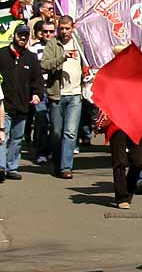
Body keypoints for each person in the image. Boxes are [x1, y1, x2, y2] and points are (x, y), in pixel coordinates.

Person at [41, 15, 89, 179]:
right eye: (61, 28)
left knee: (70, 132)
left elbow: (87, 63)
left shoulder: (79, 44)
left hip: (75, 94)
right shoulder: (53, 44)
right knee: (56, 132)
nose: (64, 31)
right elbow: (44, 65)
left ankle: (65, 167)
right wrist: (62, 57)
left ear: (72, 28)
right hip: (57, 94)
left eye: (67, 28)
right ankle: (57, 162)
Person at [0, 23, 43, 180]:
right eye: (20, 35)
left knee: (17, 139)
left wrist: (37, 94)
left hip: (23, 105)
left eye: (26, 35)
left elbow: (37, 80)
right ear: (14, 36)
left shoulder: (31, 58)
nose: (23, 38)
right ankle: (1, 167)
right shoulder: (2, 55)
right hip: (4, 105)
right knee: (2, 136)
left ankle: (12, 167)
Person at [29, 20, 52, 165]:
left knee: (55, 124)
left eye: (51, 31)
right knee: (42, 121)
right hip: (40, 89)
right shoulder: (34, 49)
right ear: (40, 33)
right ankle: (42, 152)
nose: (48, 34)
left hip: (57, 90)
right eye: (45, 32)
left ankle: (52, 150)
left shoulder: (59, 47)